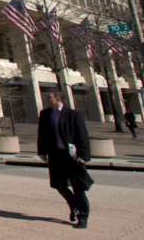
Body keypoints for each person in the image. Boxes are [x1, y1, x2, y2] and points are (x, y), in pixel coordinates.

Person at [37, 91, 93, 229]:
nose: (47, 99)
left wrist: (84, 156)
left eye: (49, 97)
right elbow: (42, 134)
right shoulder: (45, 114)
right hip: (55, 154)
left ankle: (83, 217)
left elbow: (82, 136)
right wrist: (42, 151)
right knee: (58, 184)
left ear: (57, 98)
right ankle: (74, 204)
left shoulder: (73, 115)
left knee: (78, 187)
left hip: (72, 156)